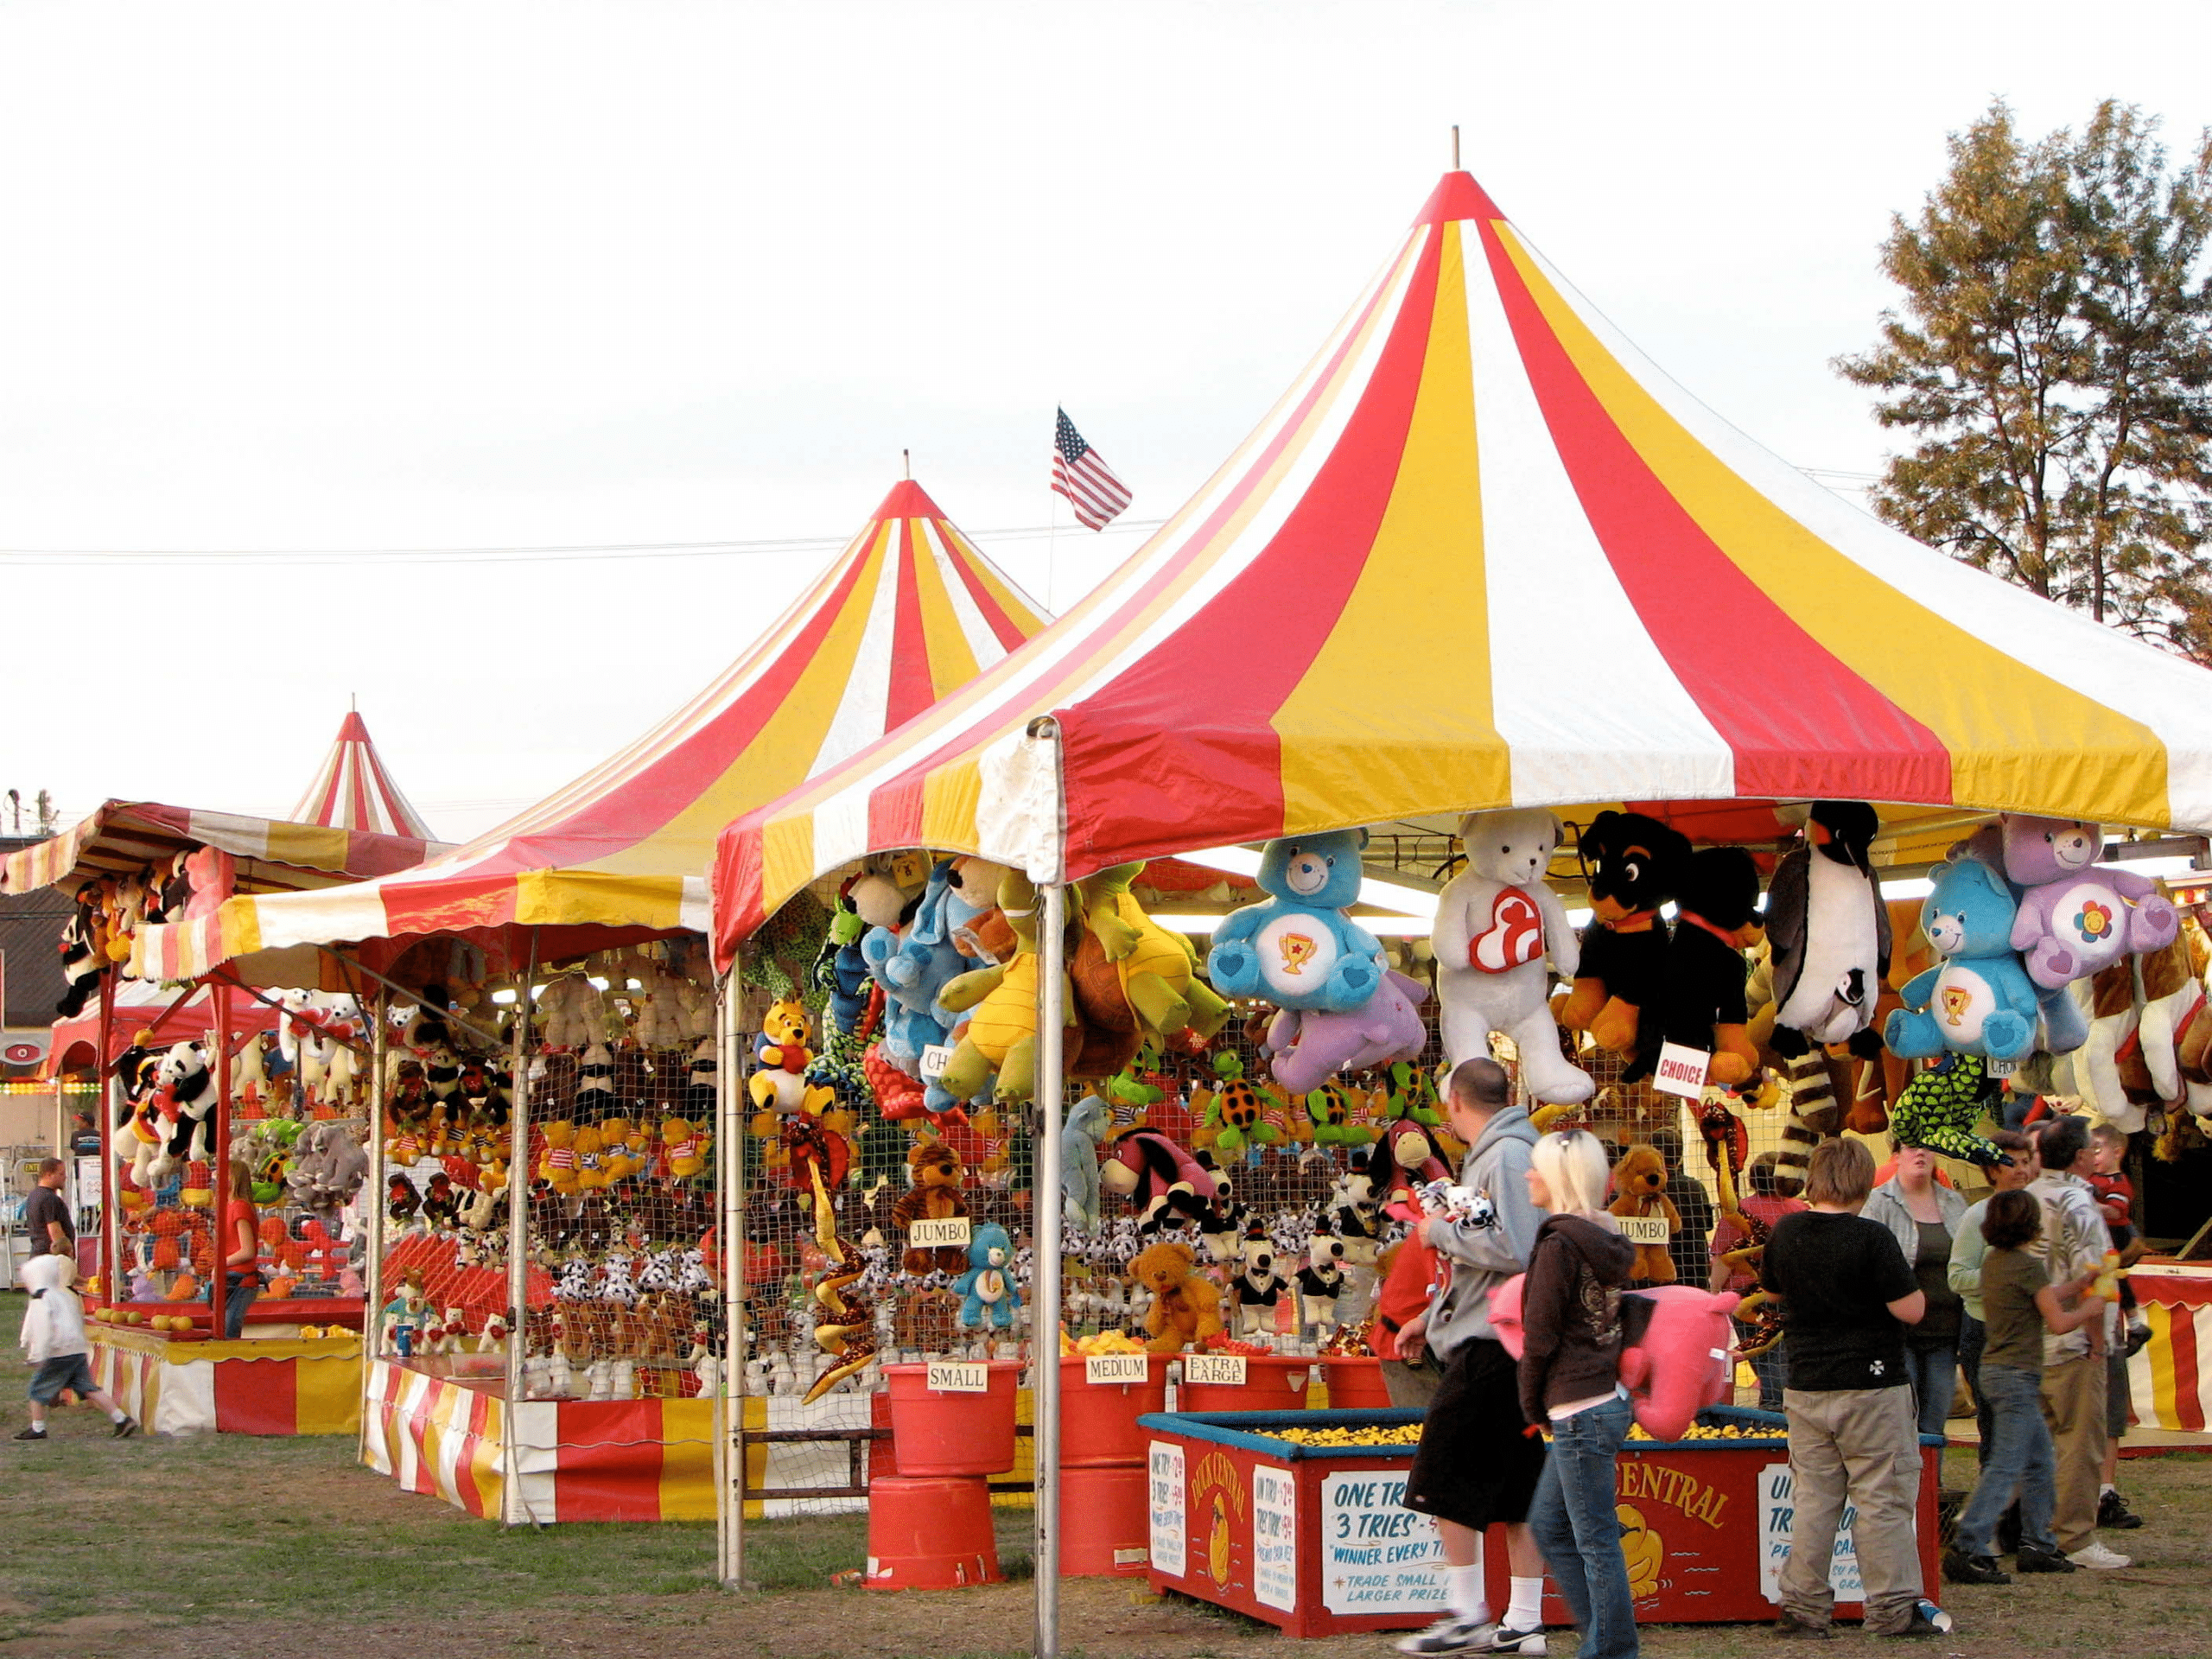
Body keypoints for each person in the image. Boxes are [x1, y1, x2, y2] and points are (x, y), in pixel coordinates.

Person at [1760, 1137, 1949, 1639]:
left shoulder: (1786, 1232)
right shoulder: (1873, 1238)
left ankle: (1801, 1609)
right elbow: (1911, 1310)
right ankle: (1891, 1609)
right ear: (1867, 1182)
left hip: (1804, 1384)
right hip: (1871, 1385)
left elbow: (1773, 1292)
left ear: (1814, 1178)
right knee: (1881, 1497)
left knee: (1814, 1499)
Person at [1395, 1058, 1549, 1657]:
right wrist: (1429, 1318)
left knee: (1440, 1473)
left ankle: (1466, 1614)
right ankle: (1525, 1624)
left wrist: (1439, 1234)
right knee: (1518, 1489)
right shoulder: (1505, 1151)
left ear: (1457, 1100)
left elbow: (1517, 1246)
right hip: (1499, 1336)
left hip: (1493, 1347)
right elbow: (1488, 1263)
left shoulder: (1505, 1155)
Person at [1942, 1187, 2107, 1584]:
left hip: (1995, 1370)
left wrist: (2079, 1282)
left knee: (2039, 1461)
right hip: (2018, 1374)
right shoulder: (2029, 1266)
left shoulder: (1996, 1262)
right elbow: (2057, 1321)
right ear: (2031, 1228)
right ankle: (1970, 1543)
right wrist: (2091, 1306)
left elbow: (2042, 1297)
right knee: (2008, 1464)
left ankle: (2039, 1543)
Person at [1519, 1130, 1639, 1659]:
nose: (1527, 1176)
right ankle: (1601, 1634)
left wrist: (1529, 1402)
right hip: (1603, 1399)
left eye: (1536, 1168)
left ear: (1559, 1179)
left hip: (1576, 1406)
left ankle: (1612, 1648)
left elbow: (1539, 1336)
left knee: (1593, 1539)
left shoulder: (1557, 1247)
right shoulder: (1605, 1242)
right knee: (1552, 1526)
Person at [2028, 1116, 2126, 1567]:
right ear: (2080, 1156)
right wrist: (2097, 1337)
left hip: (2028, 1339)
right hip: (2071, 1341)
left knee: (2036, 1443)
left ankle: (2028, 1532)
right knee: (2080, 1443)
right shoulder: (2078, 1204)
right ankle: (2076, 1538)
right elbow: (2096, 1276)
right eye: (2090, 1146)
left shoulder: (2026, 1198)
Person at [1862, 1138, 1967, 1438]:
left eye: (1927, 1146)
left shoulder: (1955, 1203)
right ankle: (1906, 1485)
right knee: (1902, 1422)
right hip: (1898, 1334)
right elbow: (1868, 1267)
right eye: (1911, 1147)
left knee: (1934, 1423)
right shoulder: (1878, 1203)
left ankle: (1934, 1485)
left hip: (1946, 1333)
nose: (1920, 1153)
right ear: (1896, 1155)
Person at [1948, 1130, 2037, 1464]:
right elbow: (1957, 1277)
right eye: (2010, 1162)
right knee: (1997, 1425)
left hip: (2031, 1333)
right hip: (1986, 1333)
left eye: (2026, 1162)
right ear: (1992, 1169)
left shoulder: (2043, 1213)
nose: (2021, 1169)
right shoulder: (1978, 1216)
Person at [1707, 1152, 1805, 1411]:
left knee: (1762, 1356)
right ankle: (1778, 1405)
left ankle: (1773, 1408)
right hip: (1791, 1293)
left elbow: (1722, 1258)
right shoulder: (1799, 1209)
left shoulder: (1740, 1211)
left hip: (1746, 1297)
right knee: (1783, 1354)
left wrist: (1714, 1293)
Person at [2084, 1122, 2145, 1532]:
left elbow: (2120, 1214)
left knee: (2108, 1404)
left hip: (2103, 1300)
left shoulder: (2116, 1183)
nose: (2094, 1155)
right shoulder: (2081, 1184)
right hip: (2080, 1308)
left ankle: (2104, 1493)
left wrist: (2093, 1204)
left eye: (2100, 1149)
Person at [15, 1252, 137, 1440]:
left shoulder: (41, 1298)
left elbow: (42, 1330)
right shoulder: (64, 1295)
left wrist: (37, 1355)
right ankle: (121, 1419)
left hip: (57, 1352)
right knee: (88, 1387)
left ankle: (38, 1428)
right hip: (77, 1350)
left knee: (37, 1390)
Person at [1647, 1126, 1714, 1289]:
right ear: (1680, 1156)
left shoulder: (1643, 1189)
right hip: (1694, 1274)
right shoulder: (1696, 1188)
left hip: (1655, 1278)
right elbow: (1708, 1225)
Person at [219, 1161, 262, 1341]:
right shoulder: (228, 1207)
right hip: (230, 1279)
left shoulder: (239, 1207)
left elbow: (247, 1250)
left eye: (225, 1173)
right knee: (224, 1331)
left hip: (240, 1281)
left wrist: (221, 1264)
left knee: (229, 1333)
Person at [24, 1158, 72, 1260]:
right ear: (49, 1175)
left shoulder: (33, 1196)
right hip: (50, 1258)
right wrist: (66, 1257)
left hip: (37, 1256)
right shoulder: (50, 1199)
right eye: (61, 1174)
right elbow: (55, 1232)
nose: (65, 1177)